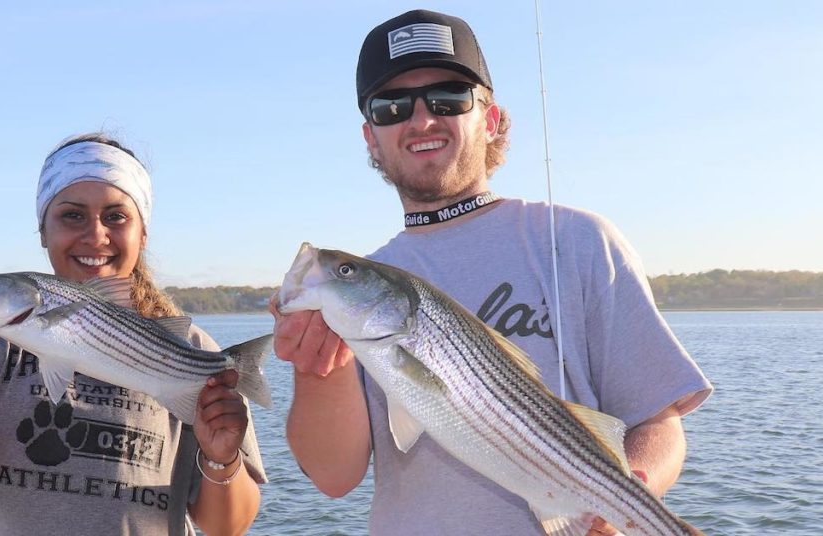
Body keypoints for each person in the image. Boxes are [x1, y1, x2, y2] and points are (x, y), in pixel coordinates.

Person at [271, 9, 712, 536]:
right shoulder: (364, 294)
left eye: (448, 98)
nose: (421, 120)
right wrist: (316, 368)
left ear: (493, 117)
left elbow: (658, 423)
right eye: (392, 107)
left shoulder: (577, 241)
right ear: (370, 136)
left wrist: (627, 500)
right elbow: (333, 476)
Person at [0, 133, 266, 536]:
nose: (95, 234)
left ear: (143, 234)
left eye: (116, 216)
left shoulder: (190, 350)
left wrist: (221, 458)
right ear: (43, 231)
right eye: (72, 215)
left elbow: (228, 527)